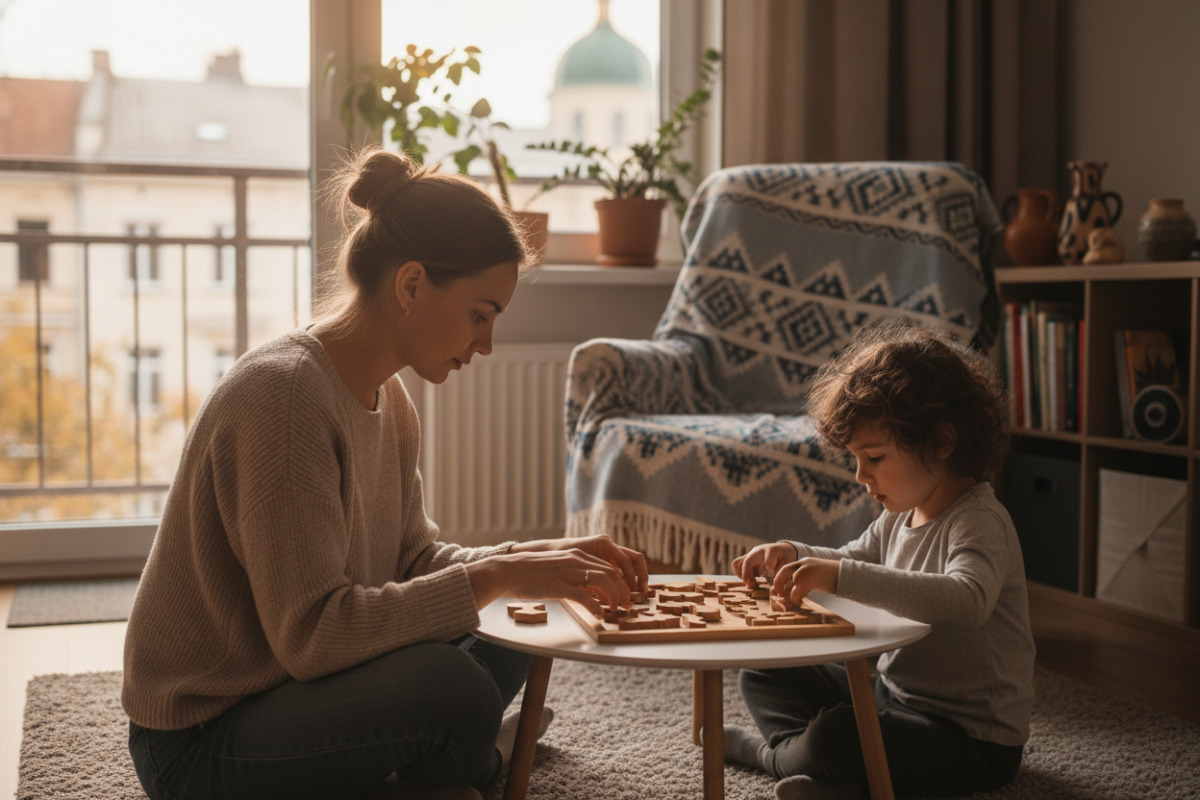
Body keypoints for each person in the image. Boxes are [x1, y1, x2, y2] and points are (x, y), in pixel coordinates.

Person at [122, 146, 648, 800]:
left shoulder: (390, 400)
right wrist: (500, 572)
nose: (485, 345)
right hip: (204, 738)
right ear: (410, 285)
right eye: (480, 315)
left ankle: (450, 760)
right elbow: (313, 637)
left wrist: (535, 559)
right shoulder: (285, 399)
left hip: (299, 691)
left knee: (524, 610)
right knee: (449, 688)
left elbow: (415, 559)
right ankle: (476, 765)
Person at [723, 320, 1035, 800]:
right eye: (855, 458)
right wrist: (796, 554)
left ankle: (773, 758)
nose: (860, 475)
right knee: (764, 667)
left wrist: (842, 576)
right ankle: (834, 778)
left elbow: (968, 600)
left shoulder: (979, 521)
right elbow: (852, 558)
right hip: (896, 698)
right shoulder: (900, 515)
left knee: (838, 734)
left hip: (972, 740)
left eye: (874, 457)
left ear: (942, 442)